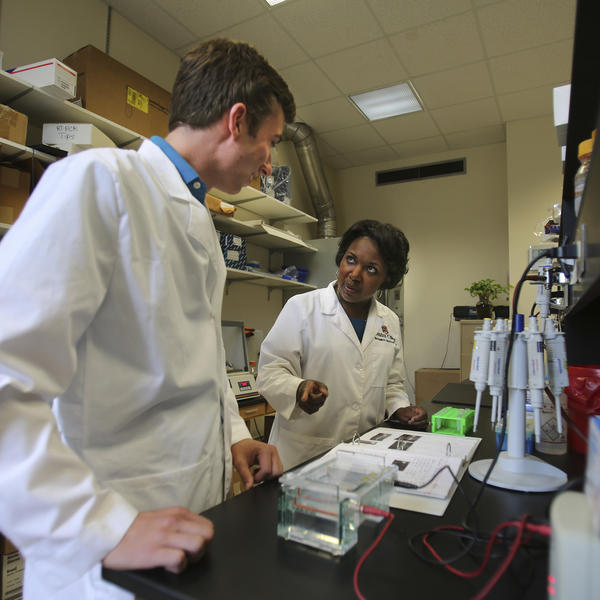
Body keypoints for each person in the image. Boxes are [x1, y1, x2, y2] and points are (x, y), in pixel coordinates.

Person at [0, 38, 295, 599]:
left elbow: (198, 355)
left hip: (189, 520)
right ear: (237, 121)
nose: (269, 161)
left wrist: (235, 435)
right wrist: (97, 527)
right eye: (270, 141)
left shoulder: (198, 220)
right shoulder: (100, 182)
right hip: (110, 539)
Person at [257, 219, 428, 470]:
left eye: (371, 269)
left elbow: (391, 384)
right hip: (304, 456)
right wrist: (298, 388)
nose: (355, 274)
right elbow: (270, 372)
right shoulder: (302, 308)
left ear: (387, 278)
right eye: (351, 259)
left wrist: (400, 409)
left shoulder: (388, 321)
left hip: (366, 454)